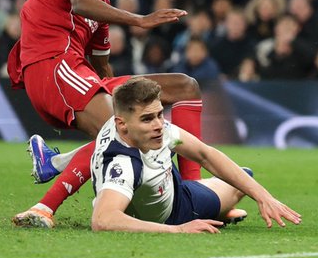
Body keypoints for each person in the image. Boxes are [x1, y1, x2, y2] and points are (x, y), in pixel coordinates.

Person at [8, 0, 206, 229]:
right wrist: (140, 20)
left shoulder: (103, 2)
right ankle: (44, 207)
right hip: (52, 68)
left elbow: (102, 66)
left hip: (81, 73)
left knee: (184, 86)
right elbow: (79, 3)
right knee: (121, 130)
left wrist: (126, 98)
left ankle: (195, 190)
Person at [89, 77, 300, 233]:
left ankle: (220, 206)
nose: (158, 125)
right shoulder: (123, 164)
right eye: (147, 119)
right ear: (121, 124)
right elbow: (102, 220)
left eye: (160, 114)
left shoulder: (158, 130)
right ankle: (218, 211)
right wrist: (179, 229)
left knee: (245, 177)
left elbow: (205, 155)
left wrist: (264, 197)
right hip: (178, 211)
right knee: (241, 182)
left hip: (171, 185)